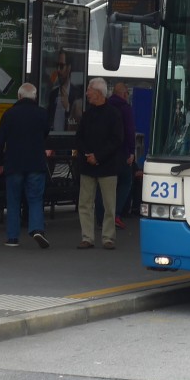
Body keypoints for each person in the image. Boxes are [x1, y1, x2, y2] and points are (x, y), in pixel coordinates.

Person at [0, 82, 53, 249]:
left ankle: (12, 238)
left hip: (14, 163)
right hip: (36, 163)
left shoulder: (9, 114)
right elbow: (46, 133)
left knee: (13, 200)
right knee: (35, 198)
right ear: (34, 97)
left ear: (19, 96)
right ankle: (37, 229)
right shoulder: (42, 113)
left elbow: (0, 140)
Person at [75, 77, 122, 250]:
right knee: (85, 203)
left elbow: (117, 139)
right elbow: (79, 137)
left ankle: (108, 237)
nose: (87, 93)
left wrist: (97, 156)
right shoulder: (88, 114)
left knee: (109, 204)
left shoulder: (113, 114)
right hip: (90, 164)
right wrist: (88, 154)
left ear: (99, 92)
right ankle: (87, 237)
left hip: (107, 165)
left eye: (89, 90)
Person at [107, 82, 137, 228]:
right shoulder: (125, 109)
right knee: (126, 181)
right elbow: (130, 131)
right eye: (127, 93)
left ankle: (103, 216)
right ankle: (116, 214)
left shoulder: (106, 106)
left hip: (106, 153)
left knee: (107, 185)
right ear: (124, 94)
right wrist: (131, 151)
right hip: (122, 152)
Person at [47, 49, 84, 133]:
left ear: (69, 68)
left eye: (61, 66)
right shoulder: (53, 94)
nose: (58, 70)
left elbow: (79, 121)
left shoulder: (77, 94)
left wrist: (68, 107)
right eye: (57, 66)